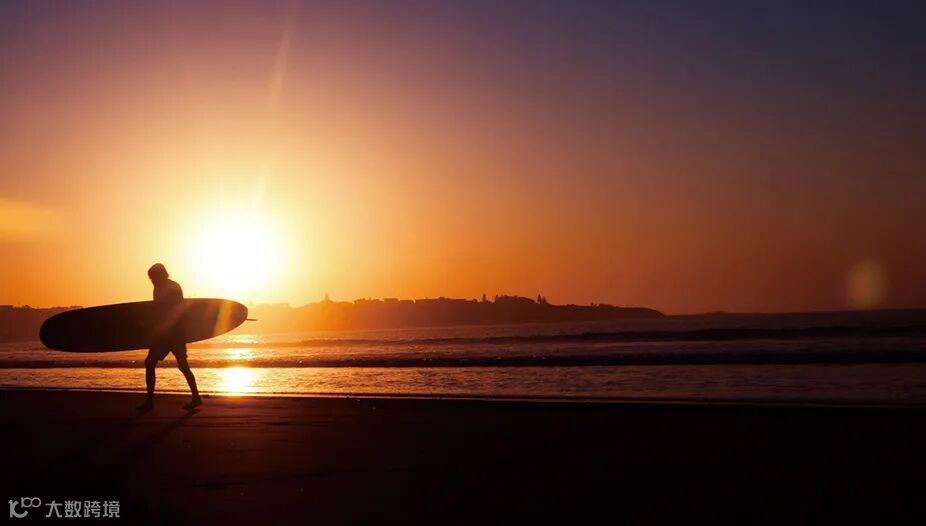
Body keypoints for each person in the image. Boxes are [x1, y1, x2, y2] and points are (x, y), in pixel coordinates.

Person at [136, 263, 202, 412]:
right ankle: (195, 397)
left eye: (153, 277)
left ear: (160, 275)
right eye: (151, 278)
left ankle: (151, 402)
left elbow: (176, 311)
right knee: (155, 363)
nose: (152, 280)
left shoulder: (173, 287)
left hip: (173, 334)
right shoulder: (158, 288)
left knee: (173, 365)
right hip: (169, 334)